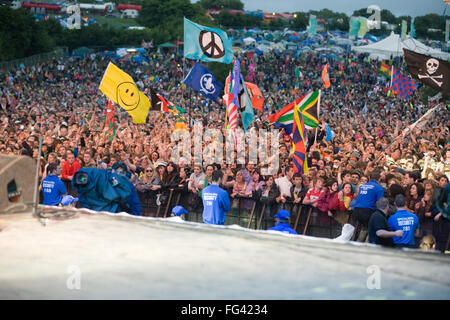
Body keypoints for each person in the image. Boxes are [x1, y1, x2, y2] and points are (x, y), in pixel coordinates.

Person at [352, 170, 385, 241]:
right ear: (379, 179)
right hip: (367, 211)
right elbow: (380, 202)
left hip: (356, 210)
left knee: (359, 230)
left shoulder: (362, 186)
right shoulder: (379, 188)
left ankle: (355, 244)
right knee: (369, 230)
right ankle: (366, 246)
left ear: (370, 178)